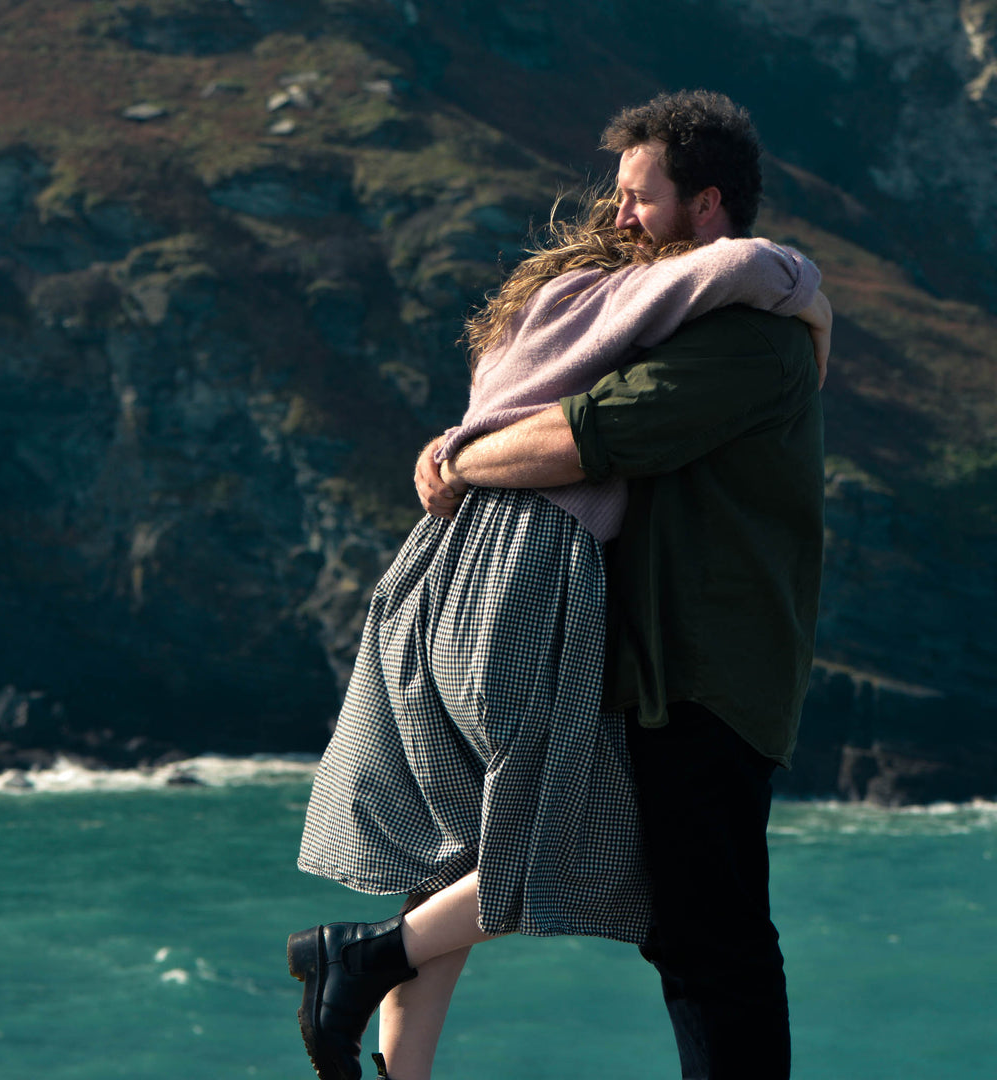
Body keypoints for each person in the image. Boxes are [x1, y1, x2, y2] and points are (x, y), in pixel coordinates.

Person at [290, 89, 828, 1080]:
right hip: (648, 661)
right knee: (699, 936)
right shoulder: (682, 316)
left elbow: (595, 431)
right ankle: (362, 962)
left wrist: (459, 454)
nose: (620, 215)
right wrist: (466, 452)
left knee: (681, 932)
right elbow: (583, 429)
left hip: (685, 667)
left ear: (708, 205)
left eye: (640, 196)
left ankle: (376, 994)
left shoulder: (742, 336)